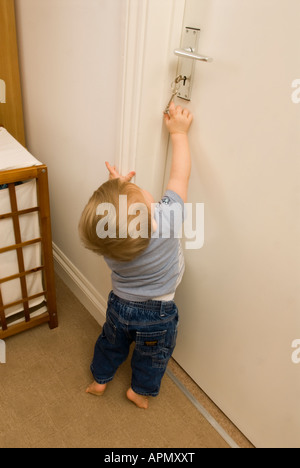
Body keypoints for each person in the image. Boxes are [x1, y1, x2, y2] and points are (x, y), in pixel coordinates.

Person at [78, 102, 193, 409]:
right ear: (150, 207)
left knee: (111, 343)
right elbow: (179, 177)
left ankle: (100, 379)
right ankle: (139, 391)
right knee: (153, 355)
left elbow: (115, 221)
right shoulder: (166, 221)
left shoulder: (108, 243)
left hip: (119, 305)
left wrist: (117, 189)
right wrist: (178, 133)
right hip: (158, 313)